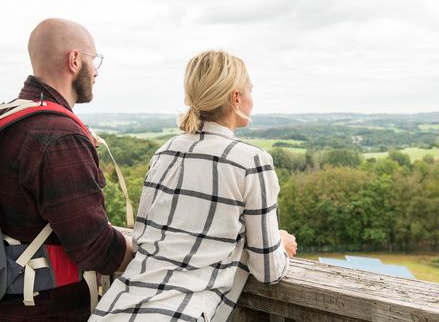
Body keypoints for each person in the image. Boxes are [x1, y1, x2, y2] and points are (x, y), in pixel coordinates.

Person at [90, 50, 297, 322]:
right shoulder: (251, 161)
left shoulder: (166, 152)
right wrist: (279, 243)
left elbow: (147, 242)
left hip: (114, 310)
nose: (251, 99)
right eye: (250, 91)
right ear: (236, 98)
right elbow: (268, 271)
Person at [0, 18, 134, 321]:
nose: (97, 71)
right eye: (93, 60)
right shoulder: (59, 136)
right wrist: (150, 252)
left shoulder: (9, 117)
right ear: (74, 60)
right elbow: (97, 250)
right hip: (45, 310)